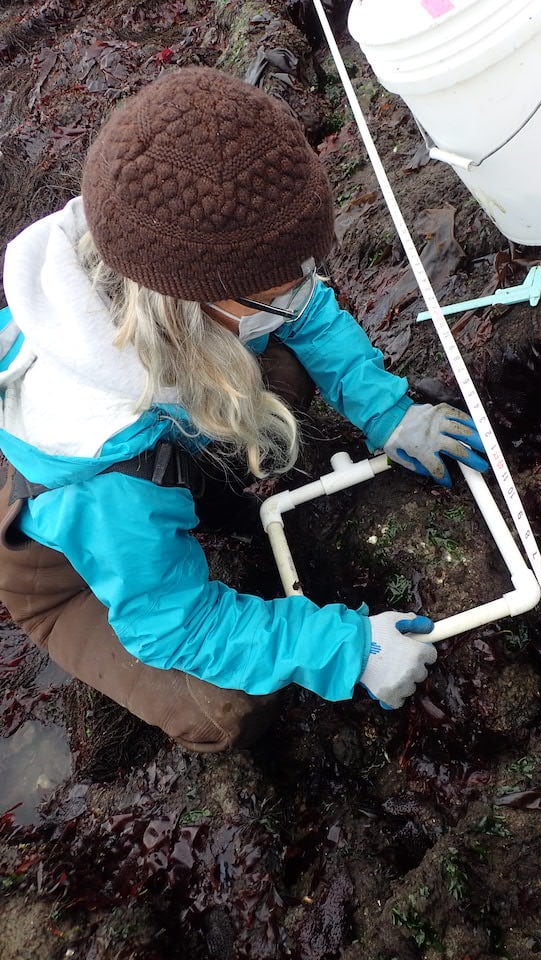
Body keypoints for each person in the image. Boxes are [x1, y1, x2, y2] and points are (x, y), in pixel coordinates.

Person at [0, 67, 487, 752]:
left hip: (158, 442)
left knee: (282, 362)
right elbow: (173, 625)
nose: (307, 293)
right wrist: (347, 648)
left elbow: (307, 308)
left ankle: (200, 486)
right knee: (226, 710)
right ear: (194, 302)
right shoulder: (104, 476)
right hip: (66, 561)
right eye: (283, 288)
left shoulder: (154, 245)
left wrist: (389, 413)